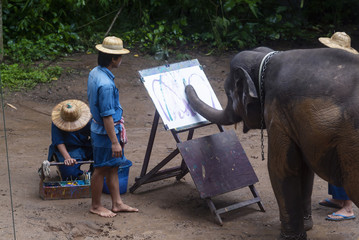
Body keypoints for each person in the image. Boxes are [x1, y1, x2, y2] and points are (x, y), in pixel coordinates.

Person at [87, 36, 138, 217]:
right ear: (113, 59)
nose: (121, 60)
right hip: (105, 133)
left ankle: (117, 203)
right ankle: (95, 205)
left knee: (113, 166)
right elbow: (107, 116)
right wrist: (115, 142)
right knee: (101, 168)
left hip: (102, 130)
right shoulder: (106, 85)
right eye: (119, 56)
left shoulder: (95, 72)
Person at [318, 31, 357, 221]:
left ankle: (348, 207)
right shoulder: (337, 68)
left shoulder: (347, 72)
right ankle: (338, 199)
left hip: (347, 123)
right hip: (336, 120)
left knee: (343, 161)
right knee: (332, 160)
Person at [48, 99, 93, 180]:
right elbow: (58, 141)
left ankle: (93, 171)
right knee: (70, 175)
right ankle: (69, 170)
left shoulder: (87, 120)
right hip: (68, 149)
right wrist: (68, 158)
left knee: (102, 158)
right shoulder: (56, 123)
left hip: (84, 146)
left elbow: (94, 136)